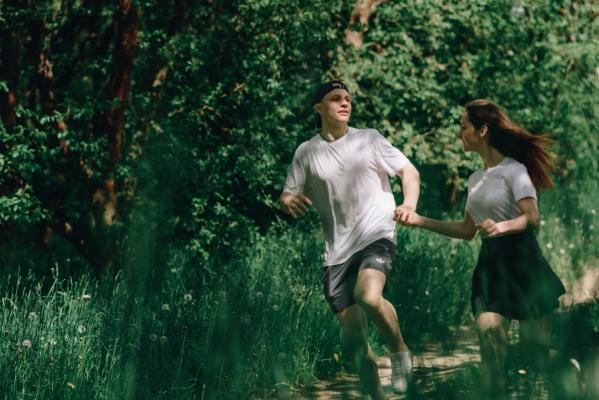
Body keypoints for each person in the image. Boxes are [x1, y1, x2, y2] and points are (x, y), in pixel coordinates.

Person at [399, 99, 566, 397]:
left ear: (483, 130)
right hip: (490, 266)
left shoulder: (514, 171)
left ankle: (570, 368)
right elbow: (467, 231)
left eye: (463, 127)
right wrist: (420, 220)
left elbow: (532, 218)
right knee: (491, 353)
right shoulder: (475, 179)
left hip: (523, 262)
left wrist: (501, 227)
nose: (458, 134)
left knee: (534, 355)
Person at [280, 80, 421, 399]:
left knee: (368, 296)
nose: (345, 103)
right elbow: (288, 193)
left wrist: (409, 204)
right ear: (319, 108)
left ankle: (399, 352)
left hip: (376, 233)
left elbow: (408, 172)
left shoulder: (368, 138)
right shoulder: (306, 151)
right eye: (336, 98)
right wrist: (289, 201)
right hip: (336, 252)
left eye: (348, 99)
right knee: (357, 344)